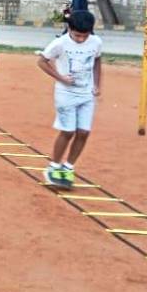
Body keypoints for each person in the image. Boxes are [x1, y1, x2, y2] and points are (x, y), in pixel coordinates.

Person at [37, 11, 102, 190]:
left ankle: (68, 167)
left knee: (83, 132)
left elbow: (97, 60)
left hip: (86, 94)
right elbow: (41, 62)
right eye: (77, 35)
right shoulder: (60, 43)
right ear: (69, 29)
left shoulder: (96, 42)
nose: (81, 39)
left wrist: (96, 84)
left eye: (84, 36)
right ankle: (53, 166)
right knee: (68, 131)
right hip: (66, 94)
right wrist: (61, 78)